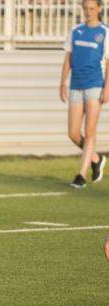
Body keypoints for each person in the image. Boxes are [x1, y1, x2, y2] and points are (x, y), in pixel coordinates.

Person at [60, 0, 108, 188]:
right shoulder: (76, 30)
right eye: (85, 8)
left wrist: (107, 88)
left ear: (99, 9)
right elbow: (68, 58)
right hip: (75, 85)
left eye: (92, 9)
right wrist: (62, 82)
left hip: (95, 85)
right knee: (73, 133)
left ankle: (81, 175)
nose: (88, 12)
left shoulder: (105, 32)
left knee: (89, 132)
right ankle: (96, 158)